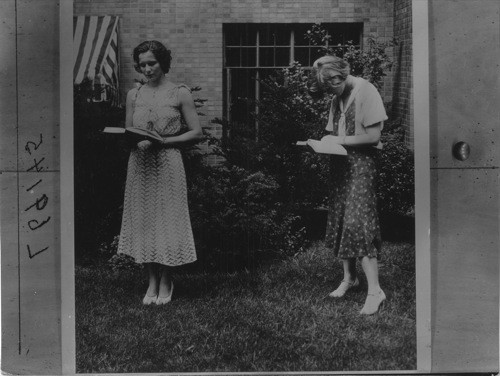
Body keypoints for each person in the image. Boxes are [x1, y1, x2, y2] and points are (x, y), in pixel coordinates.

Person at [117, 40, 203, 305]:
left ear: (163, 63)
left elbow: (196, 132)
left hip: (168, 160)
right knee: (144, 221)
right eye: (142, 64)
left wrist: (165, 141)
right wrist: (133, 138)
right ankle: (151, 280)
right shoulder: (134, 95)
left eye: (151, 63)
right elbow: (129, 130)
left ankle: (167, 279)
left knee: (168, 220)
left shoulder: (179, 93)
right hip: (140, 162)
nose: (147, 69)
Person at [308, 55, 388, 315]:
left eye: (333, 87)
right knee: (343, 217)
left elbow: (374, 136)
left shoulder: (367, 91)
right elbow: (336, 134)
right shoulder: (336, 97)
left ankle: (375, 291)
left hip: (361, 166)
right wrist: (323, 142)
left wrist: (339, 139)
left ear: (341, 76)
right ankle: (349, 278)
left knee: (358, 222)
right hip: (340, 166)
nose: (331, 94)